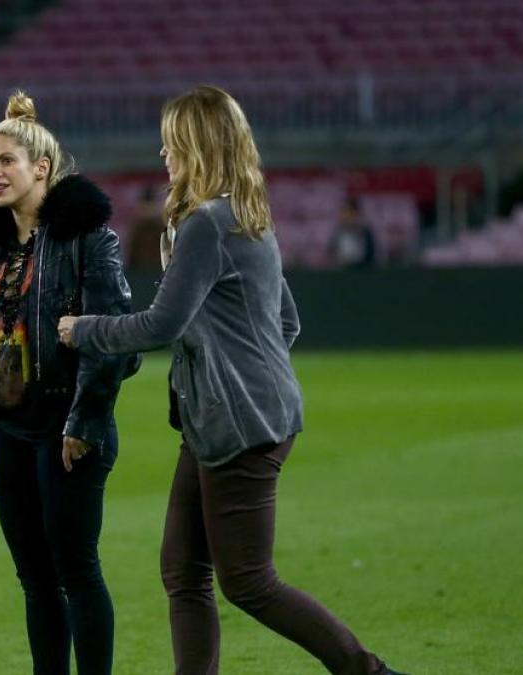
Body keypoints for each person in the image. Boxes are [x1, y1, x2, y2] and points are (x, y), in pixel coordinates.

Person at [58, 86, 405, 675]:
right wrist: (237, 373)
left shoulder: (207, 224)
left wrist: (81, 329)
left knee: (247, 581)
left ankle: (366, 670)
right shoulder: (246, 215)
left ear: (197, 145)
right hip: (225, 420)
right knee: (184, 571)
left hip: (236, 424)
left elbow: (162, 323)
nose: (163, 153)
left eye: (172, 142)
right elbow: (285, 321)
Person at [0, 92, 139, 675]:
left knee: (77, 570)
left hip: (68, 431)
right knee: (34, 580)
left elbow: (115, 343)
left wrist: (84, 421)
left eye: (6, 160)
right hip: (12, 433)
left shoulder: (90, 241)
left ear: (42, 167)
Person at [328, 198, 376, 269]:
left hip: (360, 272)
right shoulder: (338, 232)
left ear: (354, 212)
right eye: (341, 211)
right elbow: (332, 252)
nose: (342, 214)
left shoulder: (364, 231)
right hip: (341, 272)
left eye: (345, 211)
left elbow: (369, 256)